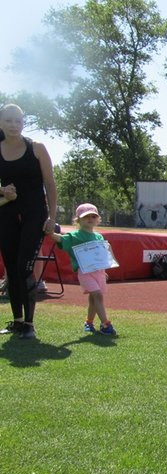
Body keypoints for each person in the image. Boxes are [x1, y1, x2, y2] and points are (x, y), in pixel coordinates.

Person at [0, 104, 58, 340]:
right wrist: (3, 190)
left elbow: (51, 185)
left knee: (24, 266)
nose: (14, 125)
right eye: (9, 120)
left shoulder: (36, 148)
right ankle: (17, 321)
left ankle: (30, 325)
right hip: (6, 215)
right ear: (1, 123)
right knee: (11, 269)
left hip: (34, 214)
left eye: (18, 120)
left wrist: (52, 218)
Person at [49, 203, 117, 335]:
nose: (90, 219)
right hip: (85, 272)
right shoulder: (75, 236)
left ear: (98, 219)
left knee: (94, 298)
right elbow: (61, 239)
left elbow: (101, 255)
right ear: (78, 219)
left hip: (99, 272)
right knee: (97, 295)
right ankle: (106, 324)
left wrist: (105, 270)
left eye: (93, 216)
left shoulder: (99, 237)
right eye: (86, 217)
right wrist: (50, 232)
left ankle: (89, 322)